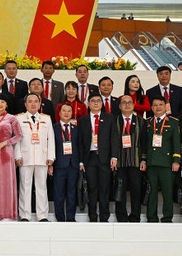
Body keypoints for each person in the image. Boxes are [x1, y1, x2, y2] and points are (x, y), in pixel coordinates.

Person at [14, 93, 56, 222]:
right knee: (25, 187)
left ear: (39, 104)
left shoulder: (46, 119)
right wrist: (17, 156)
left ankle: (42, 215)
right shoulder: (19, 119)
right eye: (30, 101)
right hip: (25, 157)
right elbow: (17, 139)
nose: (33, 104)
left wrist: (51, 157)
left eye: (35, 101)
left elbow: (51, 139)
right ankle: (25, 215)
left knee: (41, 187)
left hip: (42, 157)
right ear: (25, 104)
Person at [77, 94, 119, 222]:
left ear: (102, 103)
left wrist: (114, 156)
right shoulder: (83, 120)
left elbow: (114, 138)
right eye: (93, 101)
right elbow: (80, 142)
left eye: (98, 101)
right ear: (88, 104)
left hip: (105, 158)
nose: (96, 103)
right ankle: (93, 216)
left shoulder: (109, 118)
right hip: (89, 158)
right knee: (91, 187)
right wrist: (81, 161)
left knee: (105, 187)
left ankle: (104, 216)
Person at [143, 96, 181, 223]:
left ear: (166, 107)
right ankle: (151, 217)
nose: (158, 107)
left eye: (160, 105)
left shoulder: (173, 122)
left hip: (167, 164)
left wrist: (176, 161)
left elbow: (176, 143)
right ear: (151, 107)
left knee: (167, 192)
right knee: (151, 191)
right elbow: (144, 144)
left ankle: (167, 217)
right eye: (155, 105)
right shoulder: (147, 122)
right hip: (151, 163)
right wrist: (144, 160)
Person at [0, 96, 23, 221]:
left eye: (2, 102)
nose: (0, 104)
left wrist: (5, 143)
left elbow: (18, 136)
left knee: (5, 182)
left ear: (6, 104)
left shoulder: (12, 118)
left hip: (6, 152)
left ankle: (6, 214)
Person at [113, 95, 147, 223]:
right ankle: (121, 217)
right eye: (124, 103)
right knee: (120, 190)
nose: (127, 105)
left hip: (136, 161)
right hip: (120, 161)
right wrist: (113, 157)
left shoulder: (141, 121)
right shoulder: (114, 121)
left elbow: (144, 142)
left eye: (129, 102)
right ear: (120, 106)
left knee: (136, 190)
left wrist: (144, 159)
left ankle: (135, 216)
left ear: (133, 106)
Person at [51, 102, 81, 222]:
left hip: (73, 165)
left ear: (72, 114)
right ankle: (59, 216)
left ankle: (70, 217)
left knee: (71, 192)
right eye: (64, 111)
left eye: (69, 111)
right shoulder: (53, 128)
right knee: (58, 193)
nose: (66, 113)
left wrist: (80, 163)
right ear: (59, 113)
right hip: (59, 165)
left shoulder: (76, 129)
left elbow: (80, 146)